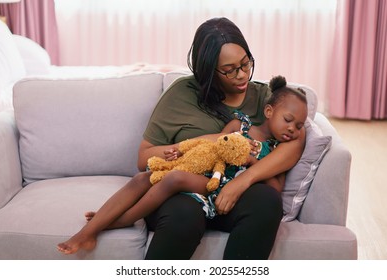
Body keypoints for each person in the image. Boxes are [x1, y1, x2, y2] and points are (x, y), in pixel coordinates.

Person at [57, 17, 306, 259]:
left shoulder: (267, 98)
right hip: (180, 194)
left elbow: (296, 139)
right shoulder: (180, 96)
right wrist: (193, 146)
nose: (242, 75)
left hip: (231, 195)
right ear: (208, 70)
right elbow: (144, 158)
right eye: (229, 70)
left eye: (246, 63)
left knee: (267, 201)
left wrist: (243, 180)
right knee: (181, 212)